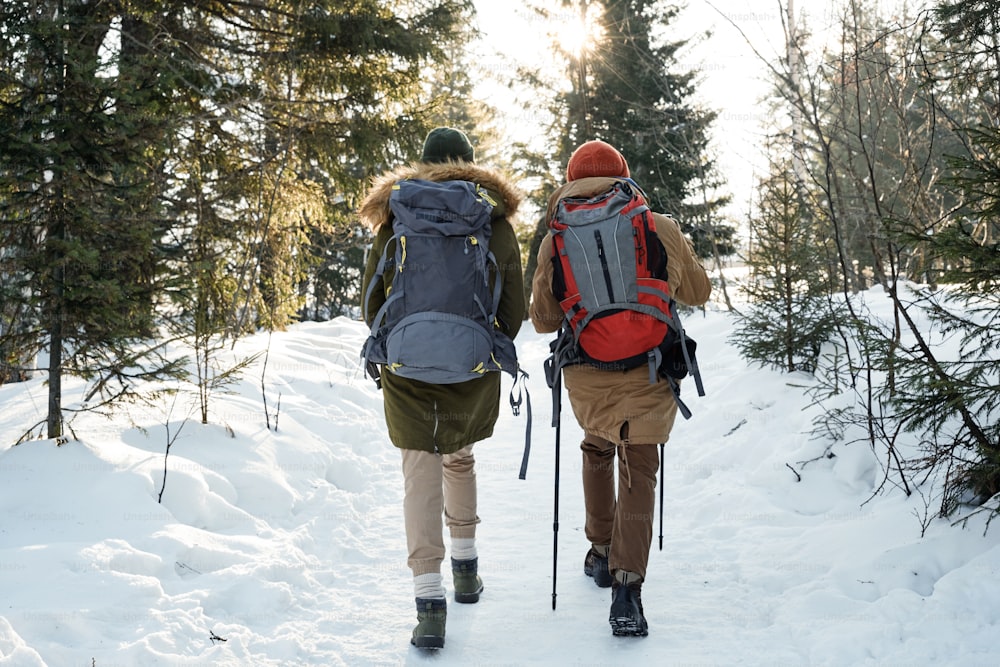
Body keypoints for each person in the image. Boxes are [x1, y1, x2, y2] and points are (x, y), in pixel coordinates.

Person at [529, 140, 711, 636]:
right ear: (624, 177)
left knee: (597, 444)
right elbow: (698, 291)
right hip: (650, 367)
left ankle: (600, 549)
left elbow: (544, 321)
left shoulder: (556, 238)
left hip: (587, 375)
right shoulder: (659, 225)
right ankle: (626, 592)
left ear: (571, 179)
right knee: (640, 467)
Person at [359, 127, 525, 649]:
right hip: (469, 365)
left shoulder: (397, 211)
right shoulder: (490, 216)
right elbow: (513, 307)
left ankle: (429, 605)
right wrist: (480, 343)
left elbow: (371, 299)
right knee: (458, 458)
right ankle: (466, 573)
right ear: (469, 165)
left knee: (419, 471)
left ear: (423, 163)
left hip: (407, 366)